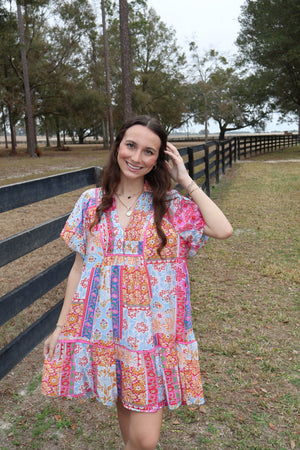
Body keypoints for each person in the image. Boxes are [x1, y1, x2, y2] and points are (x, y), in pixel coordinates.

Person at [42, 115, 232, 450]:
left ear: (159, 160)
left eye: (149, 152)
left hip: (154, 337)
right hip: (108, 332)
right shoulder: (90, 202)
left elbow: (222, 229)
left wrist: (185, 179)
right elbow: (79, 268)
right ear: (118, 146)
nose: (136, 157)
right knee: (130, 435)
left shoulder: (169, 205)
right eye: (131, 145)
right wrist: (60, 326)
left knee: (144, 441)